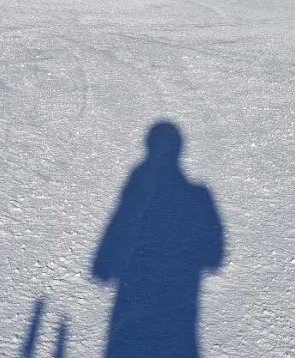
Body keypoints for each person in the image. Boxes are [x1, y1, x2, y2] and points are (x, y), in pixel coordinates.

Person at [92, 121, 224, 358]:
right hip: (179, 301)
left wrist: (104, 260)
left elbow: (121, 218)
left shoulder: (140, 182)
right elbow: (215, 255)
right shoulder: (198, 196)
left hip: (138, 292)